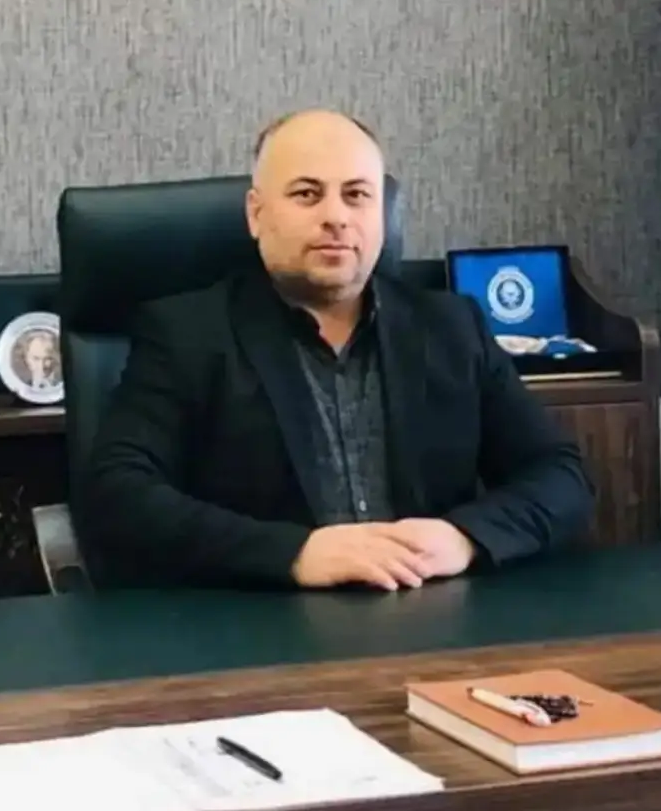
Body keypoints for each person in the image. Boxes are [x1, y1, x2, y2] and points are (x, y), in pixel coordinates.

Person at [78, 109, 595, 590]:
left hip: (431, 617)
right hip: (262, 623)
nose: (337, 217)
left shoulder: (451, 327)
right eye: (307, 194)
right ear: (256, 214)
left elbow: (561, 475)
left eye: (357, 194)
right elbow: (117, 496)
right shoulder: (187, 333)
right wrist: (294, 554)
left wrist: (465, 538)